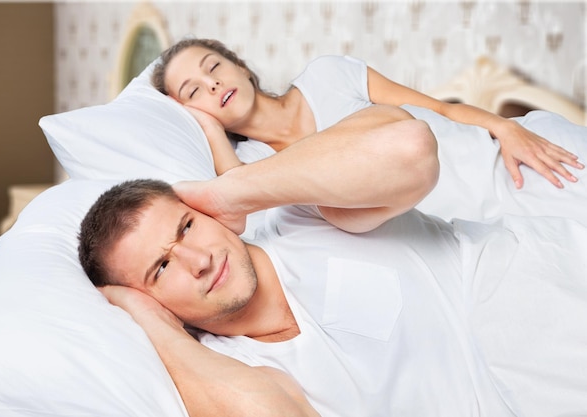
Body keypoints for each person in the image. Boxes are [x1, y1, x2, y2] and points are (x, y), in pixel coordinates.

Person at [78, 107, 587, 417]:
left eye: (187, 227)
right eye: (160, 270)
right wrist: (149, 323)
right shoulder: (233, 370)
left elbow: (409, 148)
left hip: (538, 289)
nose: (198, 260)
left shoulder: (301, 213)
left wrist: (234, 191)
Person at [151, 37, 584, 194]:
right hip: (459, 228)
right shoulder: (250, 168)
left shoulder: (329, 75)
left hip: (503, 162)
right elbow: (235, 199)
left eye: (214, 68)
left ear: (240, 68)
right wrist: (207, 128)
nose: (211, 84)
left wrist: (506, 127)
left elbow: (440, 108)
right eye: (194, 91)